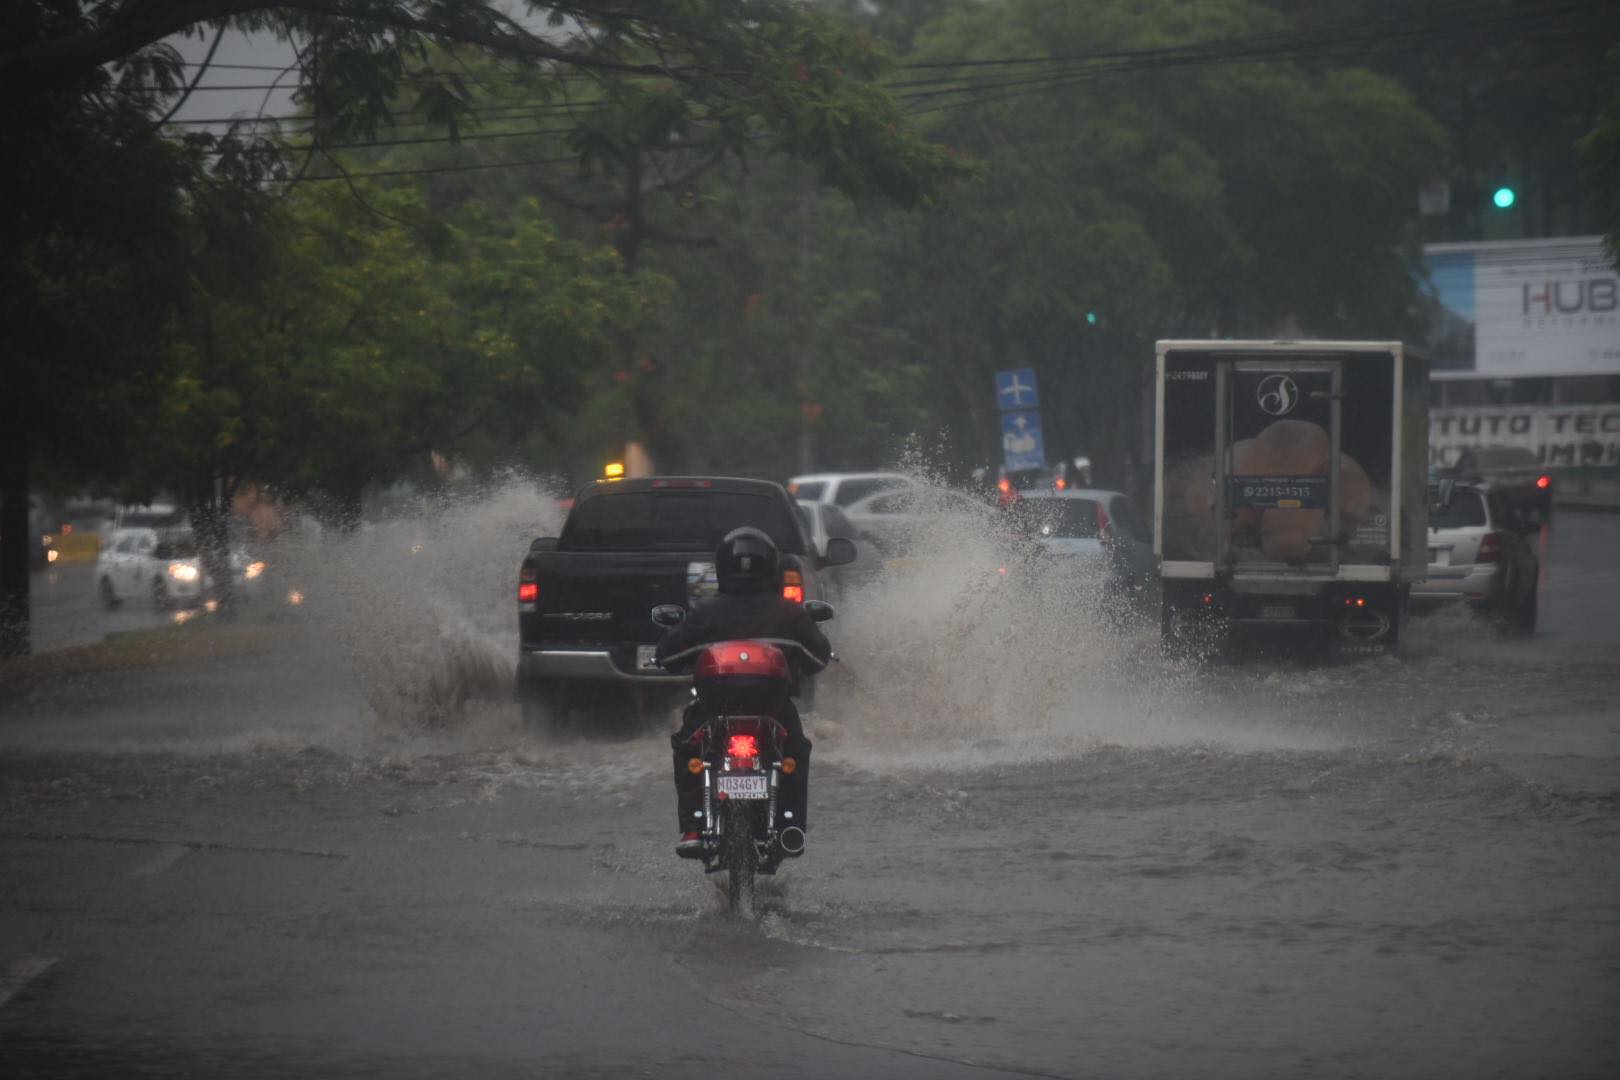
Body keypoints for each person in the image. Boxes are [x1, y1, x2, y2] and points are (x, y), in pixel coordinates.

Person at [656, 526, 831, 855]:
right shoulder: (790, 614)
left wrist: (664, 655)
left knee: (687, 748)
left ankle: (694, 828)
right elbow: (817, 657)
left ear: (723, 568)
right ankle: (789, 827)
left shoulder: (706, 613)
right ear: (772, 568)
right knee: (795, 751)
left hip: (713, 709)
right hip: (774, 709)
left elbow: (668, 654)